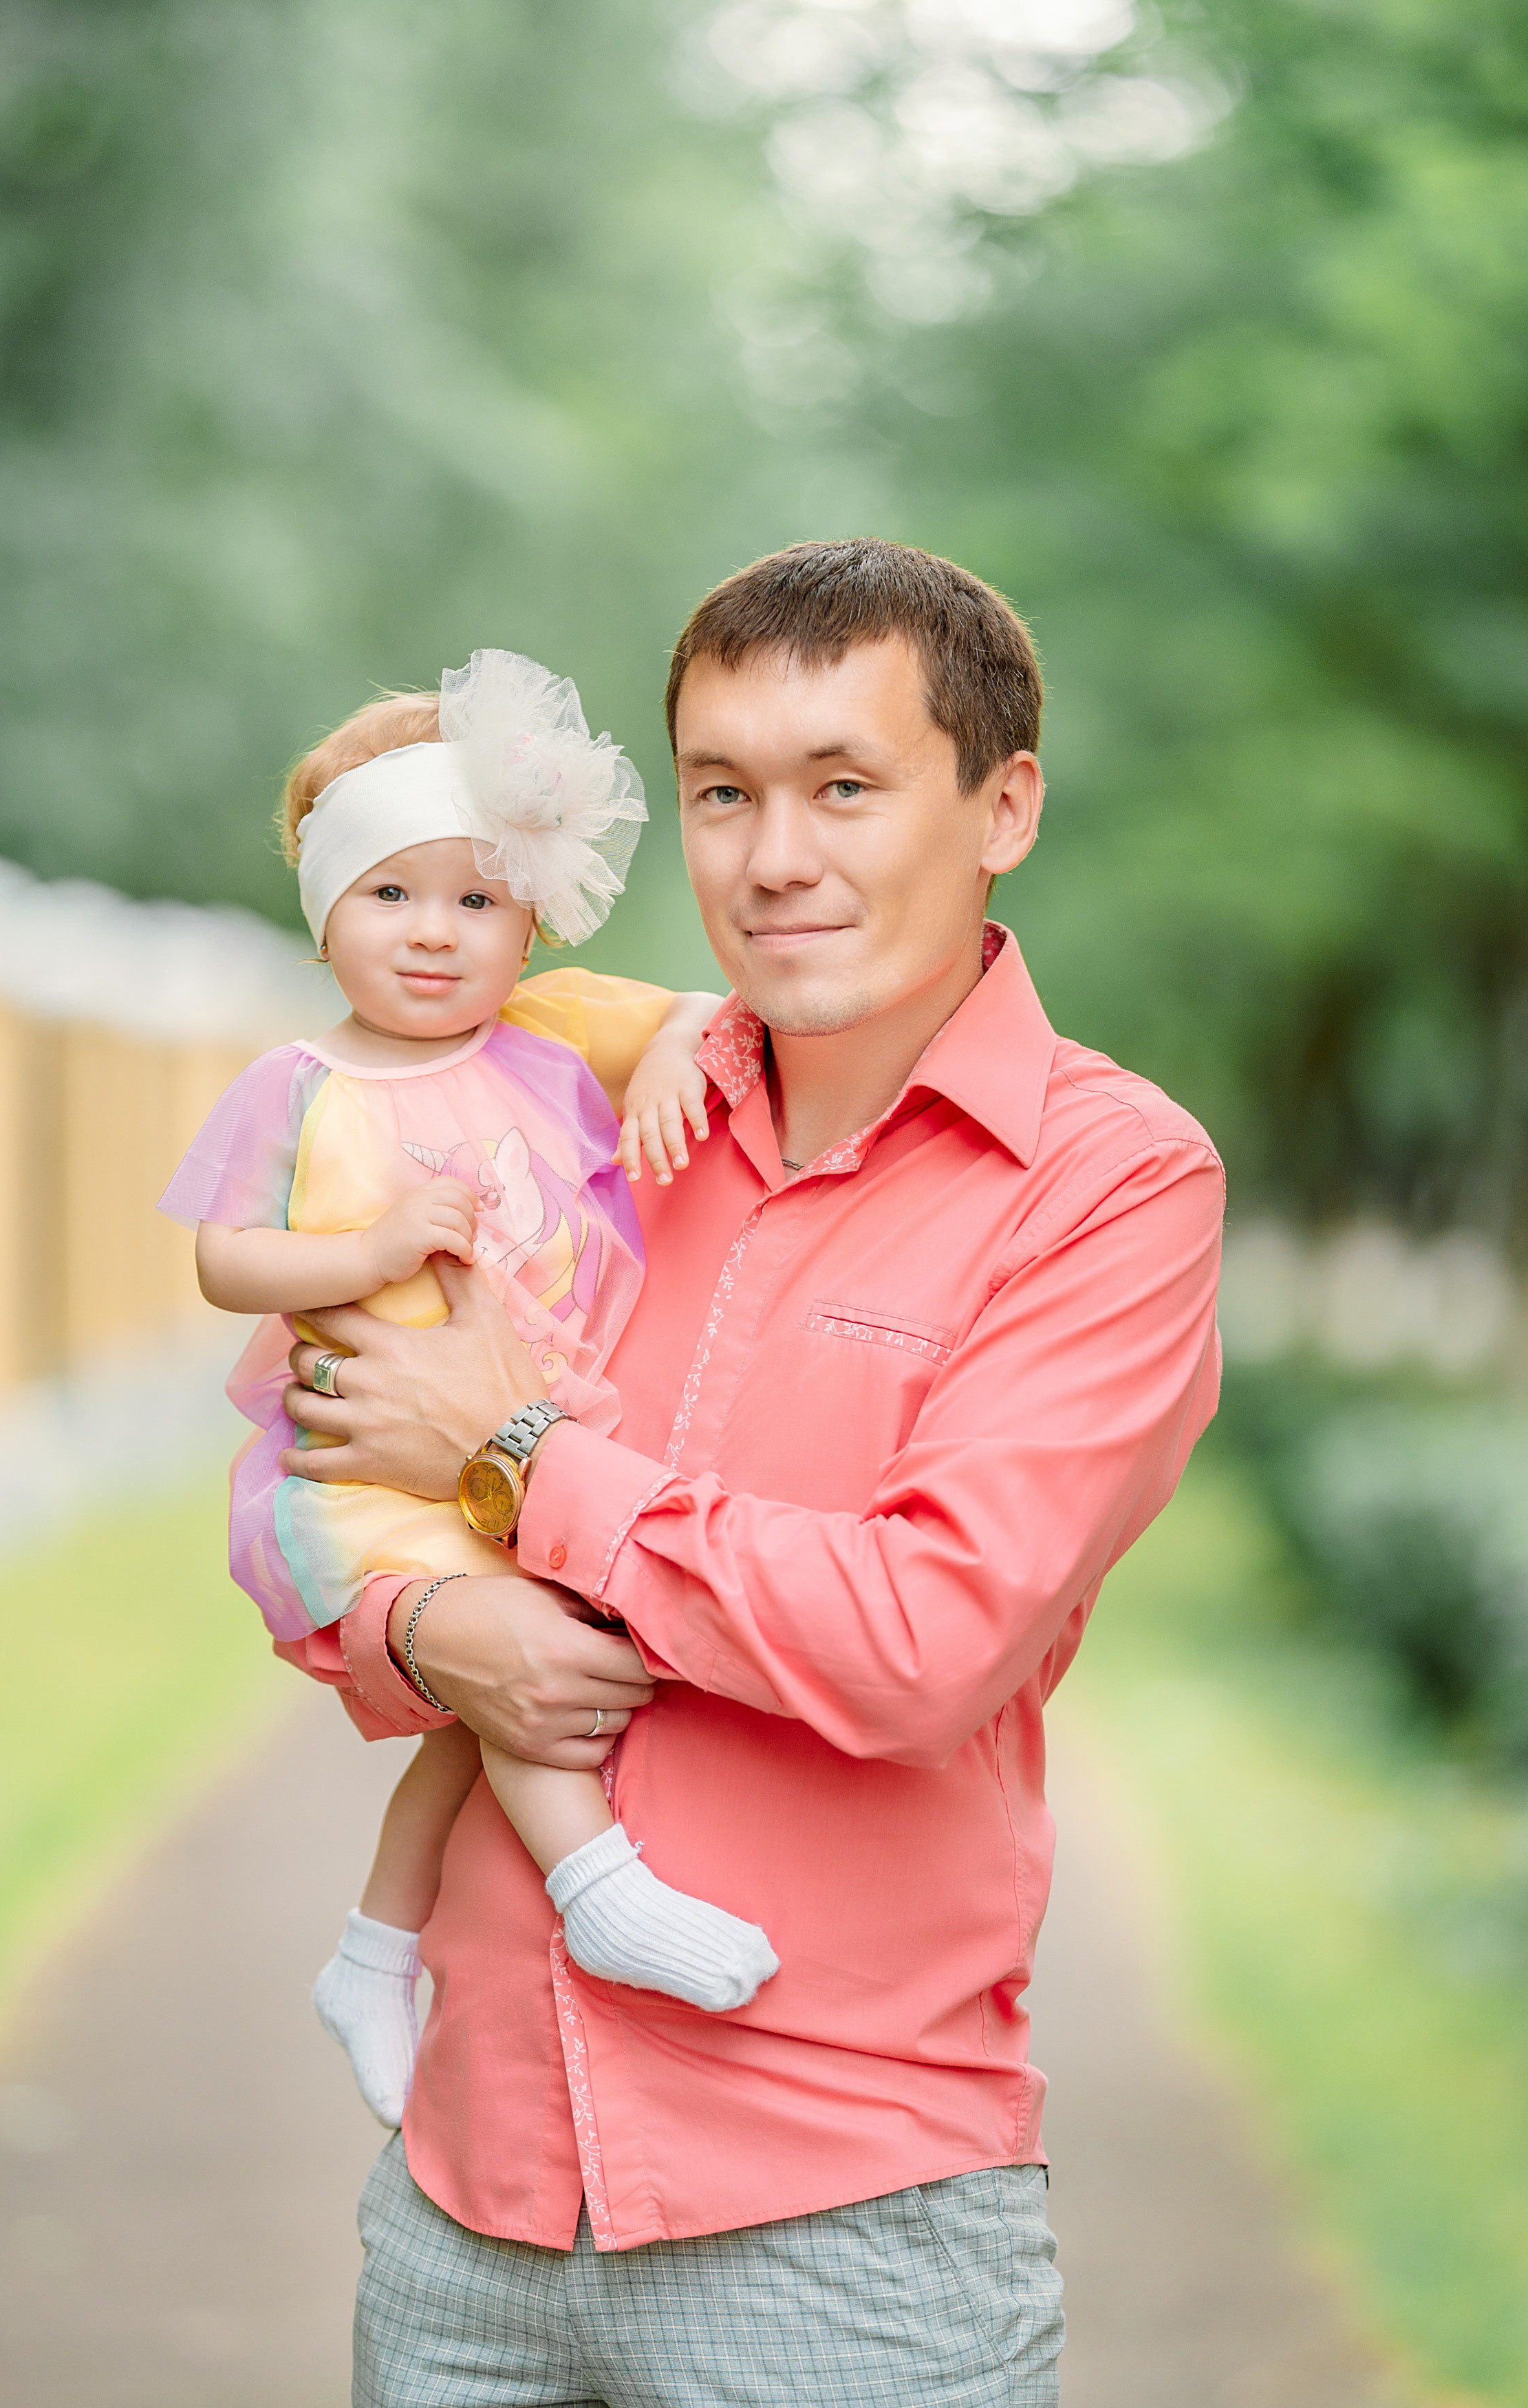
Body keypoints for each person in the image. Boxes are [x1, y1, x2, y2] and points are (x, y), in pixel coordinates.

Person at [277, 540, 1225, 2407]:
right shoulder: (575, 1116)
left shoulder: (1111, 1184)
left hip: (842, 2239)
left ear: (1003, 806)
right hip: (462, 2210)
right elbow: (337, 1463)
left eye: (843, 786)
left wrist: (523, 1455)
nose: (774, 856)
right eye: (723, 792)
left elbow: (923, 1638)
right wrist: (433, 1629)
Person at [160, 649, 777, 2129]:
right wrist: (365, 1250)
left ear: (528, 922)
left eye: (478, 901)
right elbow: (223, 1258)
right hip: (371, 1465)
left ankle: (374, 1952)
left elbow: (706, 1008)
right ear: (327, 915)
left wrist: (673, 1049)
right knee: (520, 1672)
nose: (435, 933)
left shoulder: (546, 1035)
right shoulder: (299, 1085)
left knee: (477, 1708)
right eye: (390, 894)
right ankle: (598, 1885)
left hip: (523, 1430)